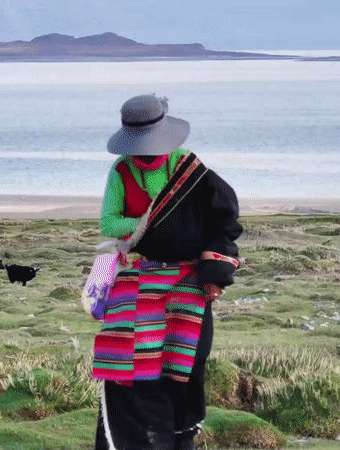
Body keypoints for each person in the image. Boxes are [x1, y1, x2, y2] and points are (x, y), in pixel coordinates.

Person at [92, 94, 242, 450]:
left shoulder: (193, 173)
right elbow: (108, 223)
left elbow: (223, 222)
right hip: (139, 271)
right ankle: (136, 439)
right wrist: (154, 226)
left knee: (187, 361)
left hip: (187, 275)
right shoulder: (121, 171)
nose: (145, 156)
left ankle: (180, 437)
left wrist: (213, 271)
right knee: (129, 363)